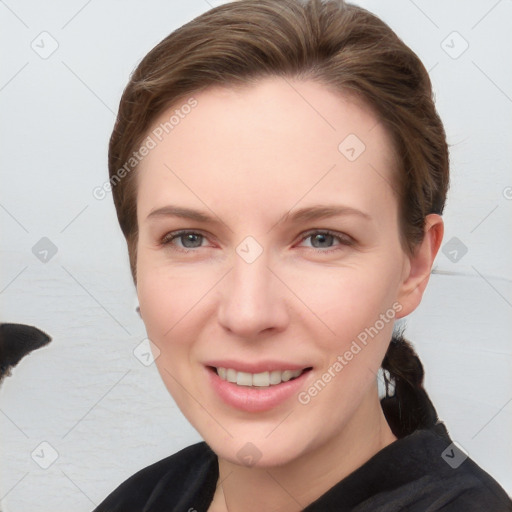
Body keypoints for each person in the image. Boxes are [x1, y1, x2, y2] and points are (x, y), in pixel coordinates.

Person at [93, 0, 512, 510]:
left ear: (415, 266)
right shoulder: (141, 500)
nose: (248, 313)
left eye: (321, 239)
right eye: (190, 239)